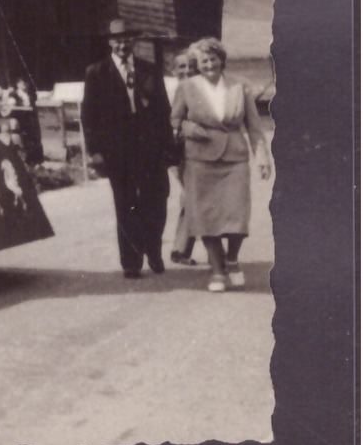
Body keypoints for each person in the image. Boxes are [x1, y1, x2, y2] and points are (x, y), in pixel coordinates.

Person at [170, 36, 272, 292]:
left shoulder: (239, 86)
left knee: (237, 216)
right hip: (200, 160)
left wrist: (262, 156)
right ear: (198, 64)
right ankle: (217, 272)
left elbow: (254, 126)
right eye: (203, 61)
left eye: (213, 59)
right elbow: (174, 119)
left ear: (221, 60)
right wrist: (188, 127)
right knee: (206, 217)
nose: (209, 65)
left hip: (234, 158)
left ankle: (233, 259)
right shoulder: (187, 87)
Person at [80, 19, 174, 279]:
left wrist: (168, 147)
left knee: (156, 200)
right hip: (117, 151)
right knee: (125, 203)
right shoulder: (96, 72)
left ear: (133, 41)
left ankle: (153, 249)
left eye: (127, 39)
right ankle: (131, 261)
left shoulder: (149, 70)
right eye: (117, 40)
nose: (122, 44)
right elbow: (89, 115)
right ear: (110, 42)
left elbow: (163, 110)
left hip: (150, 148)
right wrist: (95, 151)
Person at [167, 48, 201, 266]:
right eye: (182, 66)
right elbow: (173, 122)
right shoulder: (176, 88)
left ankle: (182, 249)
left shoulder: (199, 88)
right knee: (192, 197)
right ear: (173, 70)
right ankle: (180, 250)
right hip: (180, 151)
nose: (187, 70)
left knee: (195, 197)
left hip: (198, 151)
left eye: (191, 66)